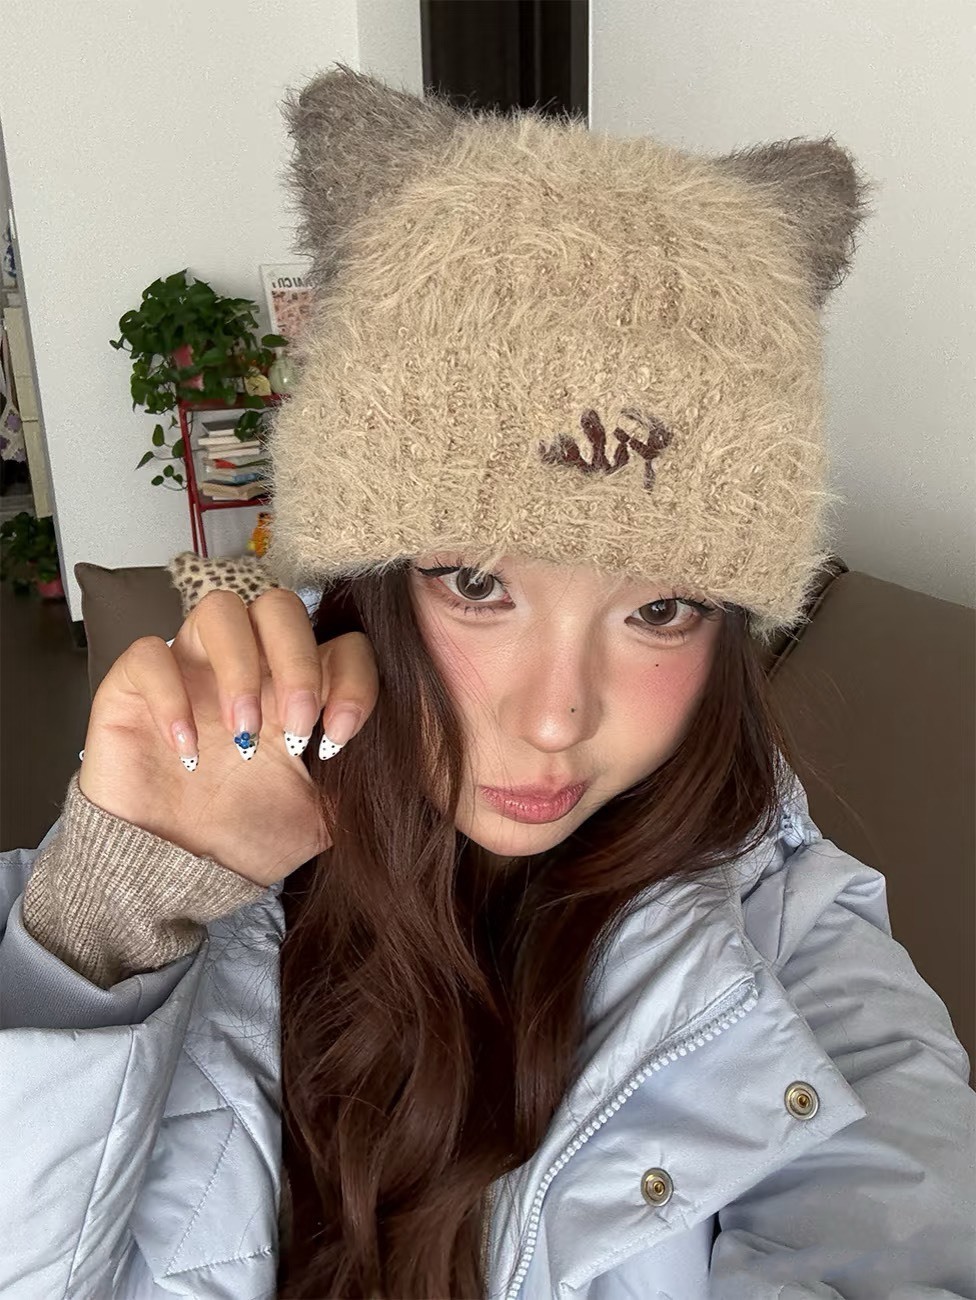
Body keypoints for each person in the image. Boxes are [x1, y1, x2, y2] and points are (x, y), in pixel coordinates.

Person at [1, 62, 973, 1300]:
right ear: (370, 580)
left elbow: (893, 1228)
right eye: (476, 583)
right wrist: (99, 929)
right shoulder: (177, 854)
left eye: (660, 608)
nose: (555, 715)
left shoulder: (798, 950)